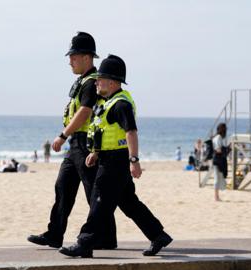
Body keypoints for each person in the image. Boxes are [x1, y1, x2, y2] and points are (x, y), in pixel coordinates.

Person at [59, 54, 172, 258]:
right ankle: (158, 235)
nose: (96, 81)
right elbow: (104, 132)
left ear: (111, 82)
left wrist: (134, 161)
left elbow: (131, 132)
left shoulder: (121, 105)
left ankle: (84, 243)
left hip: (116, 162)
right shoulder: (108, 102)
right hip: (108, 159)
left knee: (98, 201)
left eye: (100, 78)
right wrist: (95, 153)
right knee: (129, 203)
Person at [28, 32, 117, 250]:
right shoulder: (83, 81)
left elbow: (85, 112)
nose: (70, 61)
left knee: (93, 193)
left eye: (74, 56)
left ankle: (106, 237)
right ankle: (54, 234)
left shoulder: (91, 82)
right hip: (75, 146)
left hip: (85, 144)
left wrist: (63, 135)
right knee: (63, 187)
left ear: (87, 57)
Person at [212, 123, 230, 201]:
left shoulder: (215, 137)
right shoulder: (218, 137)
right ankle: (216, 197)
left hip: (216, 159)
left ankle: (217, 196)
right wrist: (227, 149)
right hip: (218, 160)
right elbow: (218, 149)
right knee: (217, 179)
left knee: (218, 177)